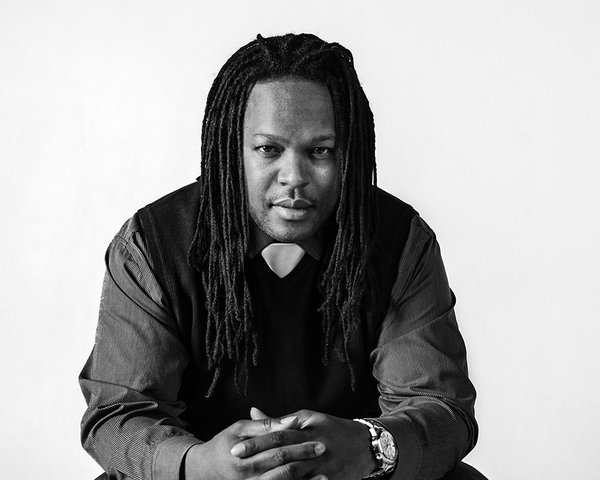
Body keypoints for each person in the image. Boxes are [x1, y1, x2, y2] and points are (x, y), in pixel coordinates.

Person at [80, 33, 484, 480]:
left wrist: (371, 447)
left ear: (348, 152)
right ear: (232, 149)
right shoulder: (152, 245)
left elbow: (440, 408)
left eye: (319, 151)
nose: (294, 177)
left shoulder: (399, 240)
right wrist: (196, 465)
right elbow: (119, 414)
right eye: (269, 149)